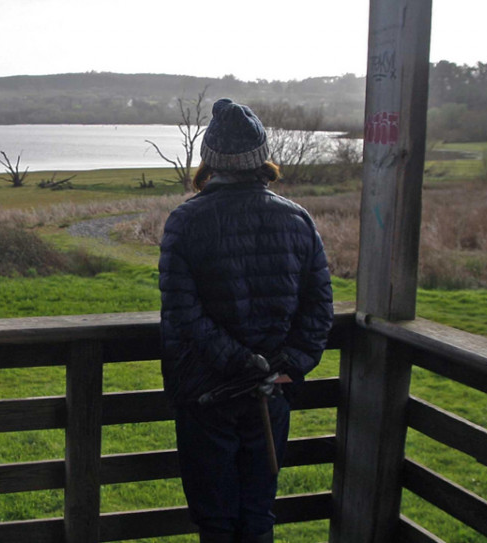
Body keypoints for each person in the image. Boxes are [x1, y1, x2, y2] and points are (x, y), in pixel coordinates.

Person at [159, 98, 334, 543]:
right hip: (269, 392)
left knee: (216, 520)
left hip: (207, 393)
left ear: (210, 161)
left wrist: (241, 362)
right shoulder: (297, 219)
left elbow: (183, 313)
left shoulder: (186, 220)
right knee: (258, 513)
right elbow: (319, 307)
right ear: (262, 160)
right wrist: (287, 365)